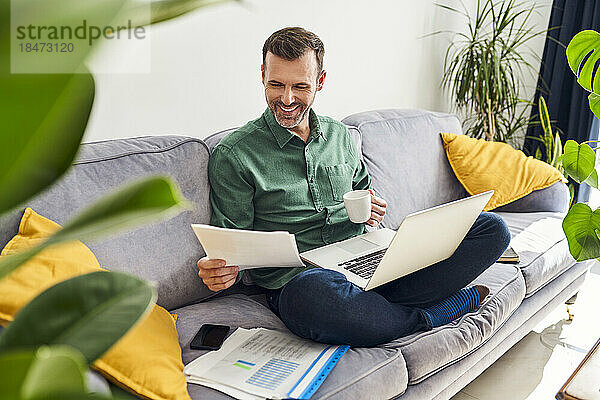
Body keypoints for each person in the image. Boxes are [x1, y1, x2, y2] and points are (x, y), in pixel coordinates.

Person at [197, 27, 510, 347]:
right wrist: (222, 270)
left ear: (320, 82)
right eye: (276, 84)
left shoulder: (339, 135)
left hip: (370, 262)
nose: (287, 99)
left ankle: (385, 312)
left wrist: (373, 207)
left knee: (492, 229)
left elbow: (364, 190)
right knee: (311, 298)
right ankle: (430, 314)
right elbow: (231, 244)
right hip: (304, 281)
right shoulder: (234, 155)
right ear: (262, 75)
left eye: (300, 86)